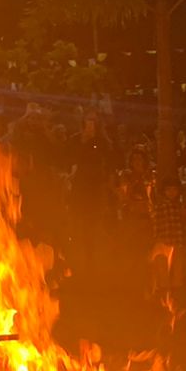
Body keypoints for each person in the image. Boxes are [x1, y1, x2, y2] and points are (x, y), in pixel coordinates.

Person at [67, 112, 115, 275]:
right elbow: (69, 157)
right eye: (87, 121)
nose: (90, 125)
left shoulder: (103, 142)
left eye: (93, 122)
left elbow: (110, 160)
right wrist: (83, 142)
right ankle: (78, 259)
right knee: (78, 223)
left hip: (96, 188)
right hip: (80, 188)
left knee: (94, 223)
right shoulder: (75, 140)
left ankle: (94, 258)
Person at [150, 175, 186, 297]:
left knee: (178, 266)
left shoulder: (179, 206)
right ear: (164, 191)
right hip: (164, 239)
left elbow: (184, 222)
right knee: (163, 266)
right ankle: (164, 290)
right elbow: (156, 222)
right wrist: (156, 238)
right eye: (168, 190)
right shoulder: (160, 206)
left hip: (178, 239)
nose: (171, 192)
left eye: (174, 189)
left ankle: (176, 290)